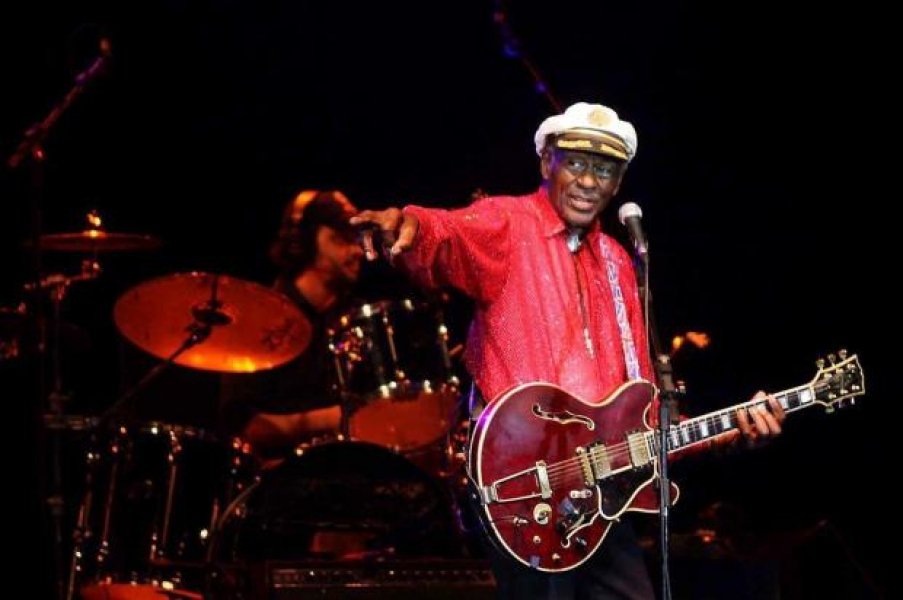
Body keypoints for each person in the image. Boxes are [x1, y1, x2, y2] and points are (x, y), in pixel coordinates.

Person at [350, 101, 786, 599]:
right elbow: (449, 233)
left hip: (599, 495)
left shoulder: (619, 262)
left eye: (605, 170)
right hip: (525, 486)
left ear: (618, 184)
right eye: (575, 163)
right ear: (546, 163)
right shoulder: (508, 223)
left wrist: (730, 433)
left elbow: (641, 416)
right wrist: (408, 223)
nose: (588, 181)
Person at [219, 189, 363, 462]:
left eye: (357, 239)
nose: (358, 251)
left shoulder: (356, 318)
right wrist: (330, 419)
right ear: (303, 240)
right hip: (282, 476)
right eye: (342, 237)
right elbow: (244, 427)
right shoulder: (260, 318)